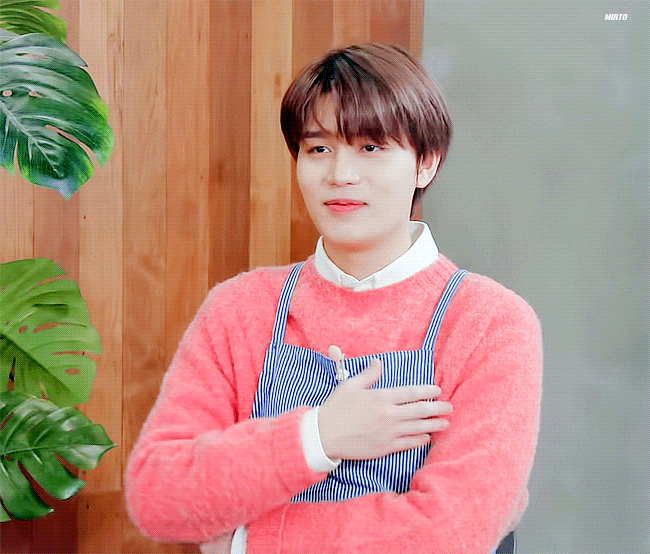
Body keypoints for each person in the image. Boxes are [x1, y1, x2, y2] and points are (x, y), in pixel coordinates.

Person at [125, 43, 542, 554]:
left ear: (426, 163)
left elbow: (450, 532)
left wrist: (248, 541)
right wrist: (319, 436)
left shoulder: (489, 322)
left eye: (371, 147)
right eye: (318, 149)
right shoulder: (240, 310)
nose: (340, 174)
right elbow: (156, 495)